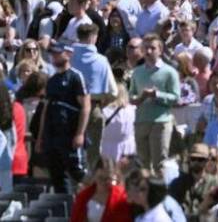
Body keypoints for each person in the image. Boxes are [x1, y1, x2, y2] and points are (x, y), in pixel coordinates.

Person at [37, 40, 90, 193]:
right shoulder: (52, 80)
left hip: (70, 133)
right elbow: (45, 109)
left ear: (68, 54)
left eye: (58, 53)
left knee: (78, 171)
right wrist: (41, 137)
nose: (54, 57)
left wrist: (80, 133)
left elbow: (85, 106)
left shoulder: (76, 77)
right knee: (57, 175)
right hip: (53, 135)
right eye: (53, 54)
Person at [128, 34, 179, 174]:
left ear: (160, 50)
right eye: (146, 48)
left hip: (161, 121)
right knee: (143, 164)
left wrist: (157, 95)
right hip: (141, 121)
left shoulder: (169, 72)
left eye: (153, 48)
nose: (149, 51)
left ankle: (160, 192)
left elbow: (176, 97)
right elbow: (131, 93)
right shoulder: (137, 72)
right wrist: (137, 97)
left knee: (159, 164)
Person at [70, 157, 131, 222]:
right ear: (94, 176)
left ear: (116, 177)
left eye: (108, 178)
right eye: (100, 178)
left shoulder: (123, 197)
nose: (104, 182)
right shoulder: (83, 197)